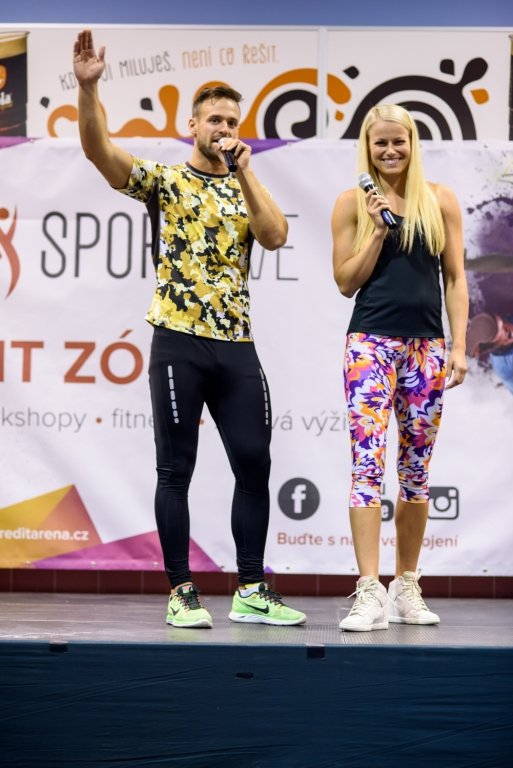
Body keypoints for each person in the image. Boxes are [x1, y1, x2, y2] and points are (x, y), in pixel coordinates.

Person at [73, 29, 306, 629]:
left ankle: (250, 589)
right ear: (193, 126)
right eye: (214, 120)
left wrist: (244, 173)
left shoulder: (248, 186)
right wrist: (88, 90)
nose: (224, 129)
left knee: (254, 464)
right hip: (178, 341)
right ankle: (181, 591)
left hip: (237, 346)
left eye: (232, 121)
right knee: (175, 470)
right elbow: (100, 153)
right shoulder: (166, 181)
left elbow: (276, 236)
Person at [331, 104, 468, 632]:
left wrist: (458, 347)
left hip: (426, 349)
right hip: (370, 345)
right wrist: (376, 230)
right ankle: (370, 590)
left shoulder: (440, 199)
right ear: (367, 148)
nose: (390, 151)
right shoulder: (351, 203)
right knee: (367, 465)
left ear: (412, 143)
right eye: (380, 143)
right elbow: (345, 282)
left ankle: (406, 584)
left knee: (415, 471)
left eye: (398, 141)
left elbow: (454, 278)